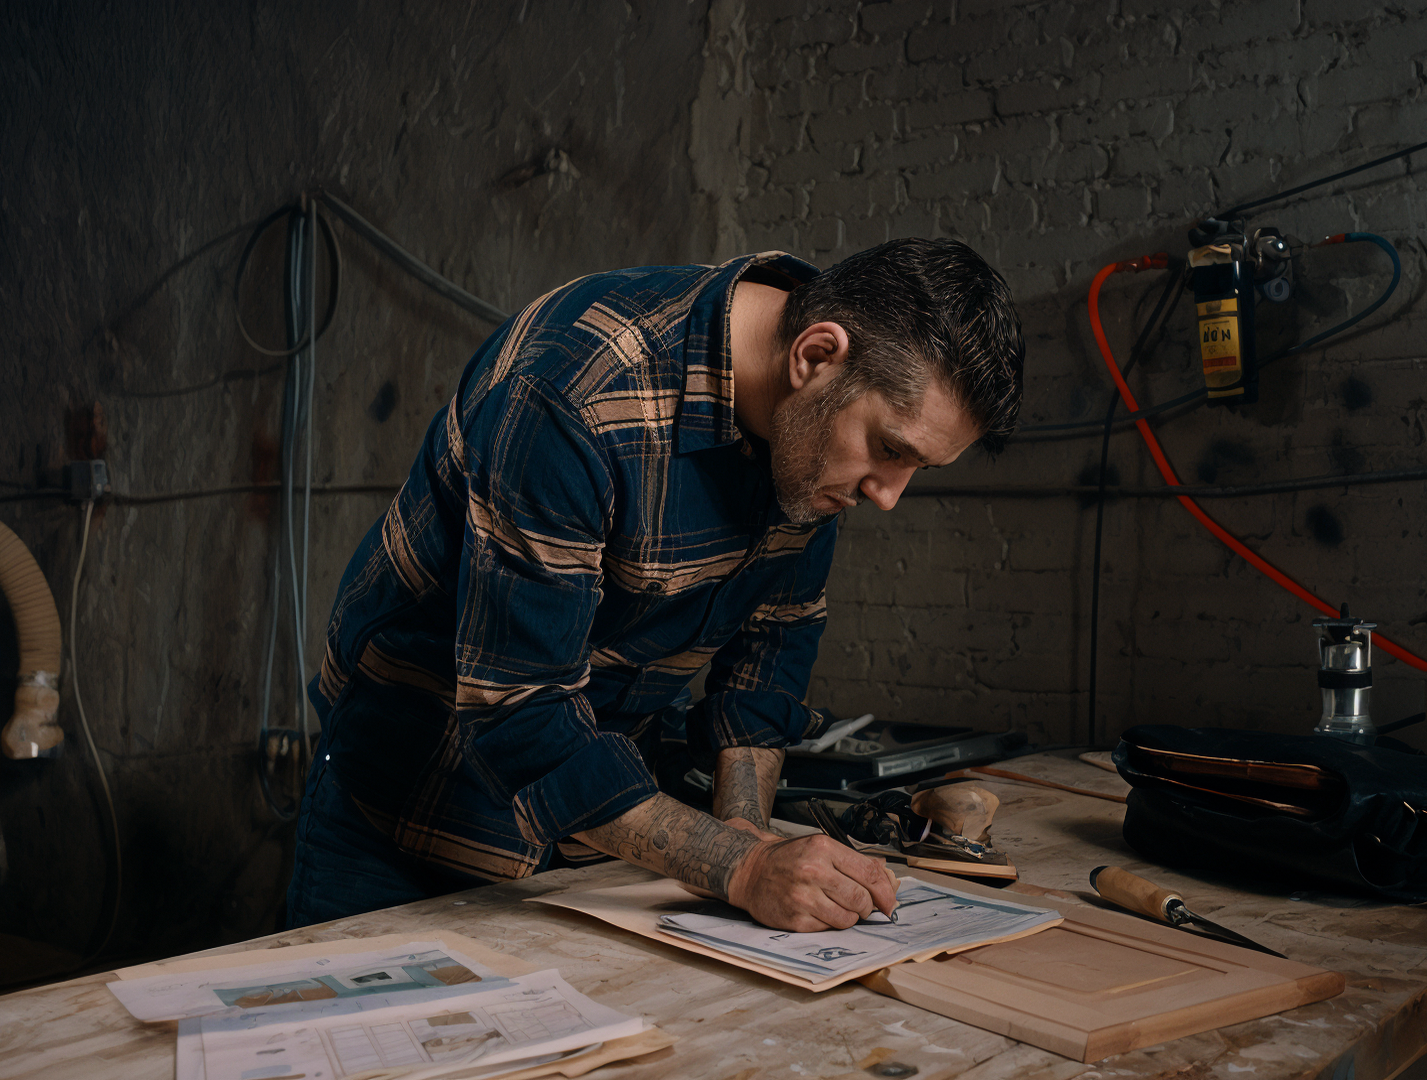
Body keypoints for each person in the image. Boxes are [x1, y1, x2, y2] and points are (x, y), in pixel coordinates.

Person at [286, 237, 1024, 932]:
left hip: (603, 837)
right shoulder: (573, 393)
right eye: (889, 450)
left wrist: (743, 825)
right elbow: (524, 709)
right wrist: (743, 865)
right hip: (409, 808)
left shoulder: (809, 433)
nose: (889, 496)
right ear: (815, 354)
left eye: (916, 468)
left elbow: (769, 656)